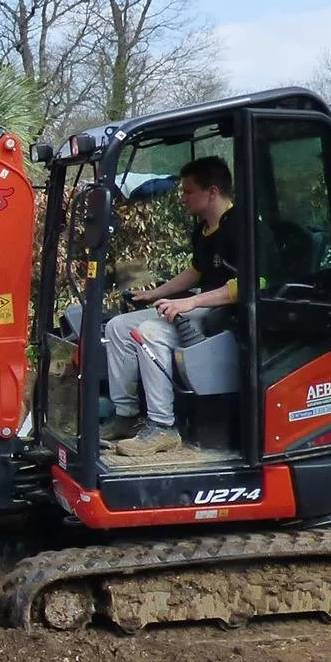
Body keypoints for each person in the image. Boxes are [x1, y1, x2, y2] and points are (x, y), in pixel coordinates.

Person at [103, 155, 242, 458]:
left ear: (213, 192)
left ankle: (163, 427)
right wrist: (154, 295)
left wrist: (190, 301)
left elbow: (245, 286)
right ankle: (126, 415)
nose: (182, 199)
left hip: (228, 315)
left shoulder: (240, 227)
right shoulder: (204, 229)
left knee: (148, 332)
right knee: (117, 327)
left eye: (188, 191)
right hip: (204, 307)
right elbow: (196, 271)